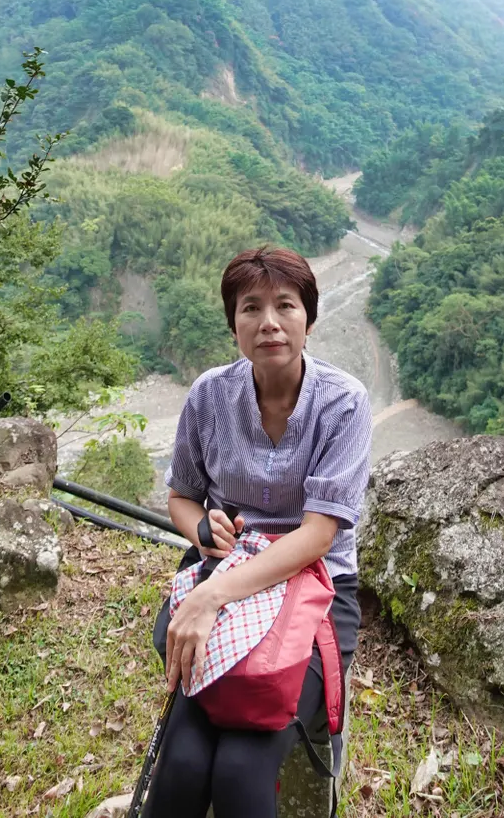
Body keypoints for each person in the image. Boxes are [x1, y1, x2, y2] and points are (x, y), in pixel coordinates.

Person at [144, 245, 372, 818]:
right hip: (218, 573)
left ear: (309, 320)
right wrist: (201, 528)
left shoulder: (342, 402)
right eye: (251, 308)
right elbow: (180, 495)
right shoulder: (210, 396)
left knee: (242, 770)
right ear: (234, 326)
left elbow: (320, 534)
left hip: (315, 588)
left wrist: (210, 596)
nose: (268, 322)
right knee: (183, 768)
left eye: (285, 306)